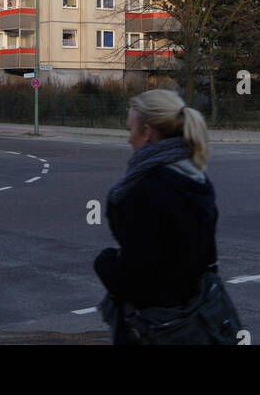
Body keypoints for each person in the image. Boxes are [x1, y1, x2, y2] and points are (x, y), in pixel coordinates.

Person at [94, 88, 238, 344]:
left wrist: (104, 262)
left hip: (158, 328)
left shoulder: (144, 190)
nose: (129, 139)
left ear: (147, 132)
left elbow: (136, 281)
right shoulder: (195, 178)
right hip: (196, 321)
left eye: (130, 130)